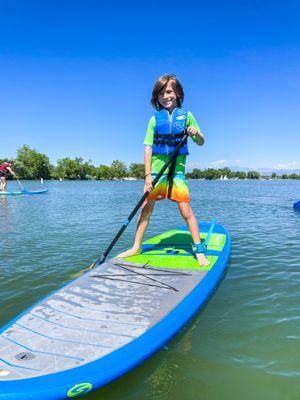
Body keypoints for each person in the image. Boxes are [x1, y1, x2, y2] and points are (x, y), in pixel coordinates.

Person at [117, 74, 209, 266]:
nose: (165, 96)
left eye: (168, 91)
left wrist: (196, 133)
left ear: (177, 93)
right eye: (161, 93)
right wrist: (147, 176)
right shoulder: (153, 120)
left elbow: (201, 142)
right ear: (156, 98)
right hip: (156, 175)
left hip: (176, 174)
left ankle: (199, 251)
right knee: (145, 211)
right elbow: (148, 148)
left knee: (186, 212)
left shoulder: (187, 116)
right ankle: (136, 247)